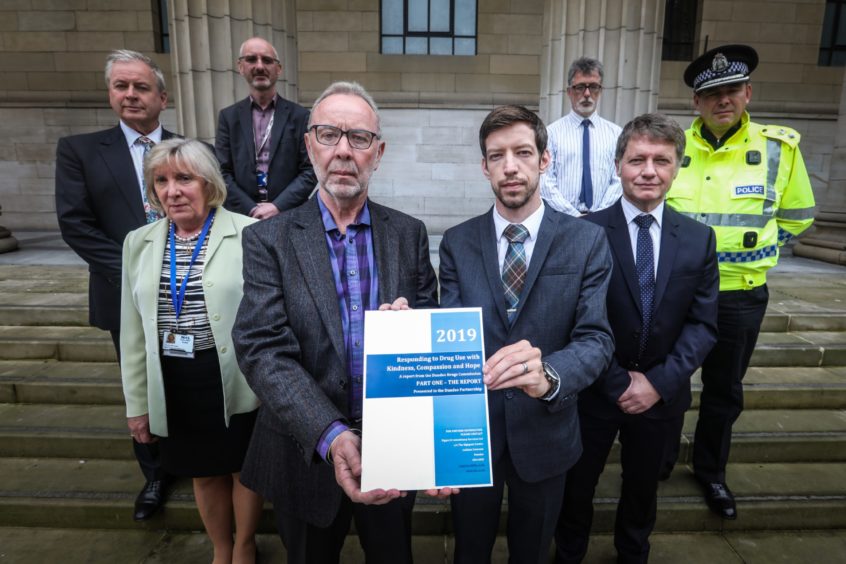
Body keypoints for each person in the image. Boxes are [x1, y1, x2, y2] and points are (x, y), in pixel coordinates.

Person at [232, 81, 438, 564]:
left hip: (394, 451)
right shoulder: (269, 239)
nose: (343, 150)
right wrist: (330, 433)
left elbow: (429, 330)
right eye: (329, 134)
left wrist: (413, 330)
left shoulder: (409, 233)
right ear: (309, 145)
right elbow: (262, 349)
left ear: (378, 152)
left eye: (359, 138)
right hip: (303, 448)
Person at [438, 104, 615, 563]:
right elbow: (448, 336)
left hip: (546, 434)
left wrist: (549, 377)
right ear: (484, 166)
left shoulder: (586, 241)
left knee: (533, 553)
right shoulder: (457, 242)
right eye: (497, 156)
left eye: (522, 152)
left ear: (544, 159)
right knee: (469, 552)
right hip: (471, 437)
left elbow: (596, 339)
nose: (510, 166)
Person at [555, 113, 719, 563]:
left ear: (677, 166)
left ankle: (633, 553)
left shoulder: (700, 240)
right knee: (577, 487)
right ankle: (568, 553)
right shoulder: (584, 233)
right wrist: (617, 382)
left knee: (643, 489)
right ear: (618, 165)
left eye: (661, 160)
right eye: (637, 159)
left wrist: (657, 384)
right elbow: (570, 317)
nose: (649, 170)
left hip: (662, 398)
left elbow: (703, 325)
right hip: (593, 393)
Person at [666, 44, 816, 520]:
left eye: (731, 90)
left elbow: (797, 216)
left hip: (740, 293)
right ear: (696, 102)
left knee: (723, 390)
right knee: (668, 383)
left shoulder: (778, 149)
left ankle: (711, 472)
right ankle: (659, 459)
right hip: (675, 293)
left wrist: (757, 250)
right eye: (711, 93)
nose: (722, 100)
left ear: (748, 93)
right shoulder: (672, 147)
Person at [120, 138, 262, 564]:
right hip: (175, 380)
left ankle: (244, 545)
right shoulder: (138, 242)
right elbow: (131, 330)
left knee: (243, 468)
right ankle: (221, 548)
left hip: (237, 377)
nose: (172, 190)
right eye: (161, 181)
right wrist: (136, 403)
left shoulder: (249, 233)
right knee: (202, 471)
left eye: (184, 178)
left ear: (208, 183)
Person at [54, 49, 175, 521]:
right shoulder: (80, 150)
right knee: (138, 384)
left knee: (187, 374)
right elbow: (75, 224)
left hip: (189, 291)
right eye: (121, 86)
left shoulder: (190, 147)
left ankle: (186, 453)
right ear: (110, 94)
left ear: (162, 97)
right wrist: (139, 272)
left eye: (141, 87)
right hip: (121, 293)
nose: (130, 94)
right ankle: (155, 475)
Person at [216, 36, 316, 219]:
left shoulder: (301, 116)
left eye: (267, 60)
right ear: (240, 67)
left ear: (278, 69)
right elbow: (222, 172)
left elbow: (310, 170)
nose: (260, 66)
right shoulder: (228, 118)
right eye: (252, 59)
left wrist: (277, 206)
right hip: (241, 216)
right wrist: (252, 209)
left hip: (289, 215)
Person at [541, 57, 622, 216]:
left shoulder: (616, 134)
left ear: (600, 91)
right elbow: (545, 182)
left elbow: (619, 180)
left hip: (604, 222)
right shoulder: (551, 134)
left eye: (593, 87)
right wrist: (574, 217)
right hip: (562, 221)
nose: (586, 94)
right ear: (569, 92)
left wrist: (599, 215)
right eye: (580, 87)